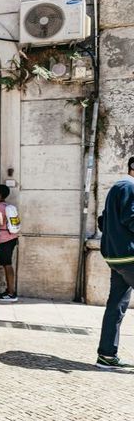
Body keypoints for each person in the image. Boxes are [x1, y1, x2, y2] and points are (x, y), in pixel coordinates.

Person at [95, 156, 134, 369]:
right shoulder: (130, 186)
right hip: (130, 257)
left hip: (116, 257)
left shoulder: (117, 188)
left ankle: (107, 355)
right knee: (116, 305)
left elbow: (103, 221)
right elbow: (132, 218)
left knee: (116, 305)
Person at [0, 185, 19, 302]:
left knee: (7, 265)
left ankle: (11, 293)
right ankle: (10, 290)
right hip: (12, 237)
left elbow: (0, 222)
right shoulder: (7, 206)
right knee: (7, 264)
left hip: (3, 239)